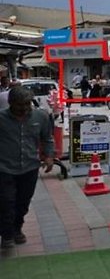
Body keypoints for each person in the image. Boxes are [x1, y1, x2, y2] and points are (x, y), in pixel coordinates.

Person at [0, 87, 55, 249]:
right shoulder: (1, 118)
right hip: (4, 169)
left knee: (22, 203)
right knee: (6, 202)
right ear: (10, 103)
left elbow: (47, 138)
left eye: (27, 104)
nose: (24, 108)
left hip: (29, 168)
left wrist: (49, 156)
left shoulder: (41, 116)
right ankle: (7, 234)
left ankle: (17, 229)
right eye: (19, 105)